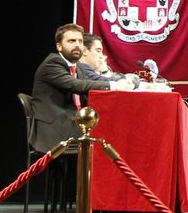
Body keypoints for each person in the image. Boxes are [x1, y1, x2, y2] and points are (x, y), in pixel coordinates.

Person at [29, 23, 130, 169]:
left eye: (80, 41)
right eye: (71, 41)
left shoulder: (78, 67)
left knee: (114, 124)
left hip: (71, 122)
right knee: (107, 133)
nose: (77, 45)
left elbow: (92, 82)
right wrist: (113, 86)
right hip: (55, 129)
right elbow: (77, 85)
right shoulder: (52, 63)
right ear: (59, 46)